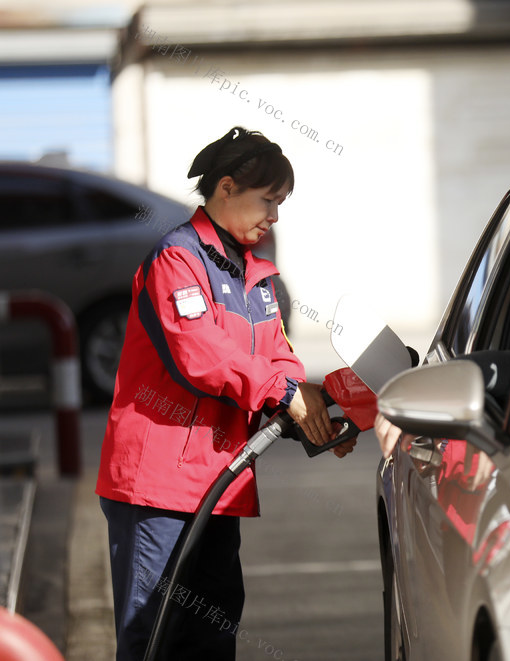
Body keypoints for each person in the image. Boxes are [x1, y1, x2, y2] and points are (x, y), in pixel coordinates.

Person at [95, 127, 354, 660]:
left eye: (281, 203)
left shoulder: (255, 274)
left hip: (220, 481)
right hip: (159, 490)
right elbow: (202, 355)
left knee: (213, 633)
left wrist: (316, 415)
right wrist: (285, 393)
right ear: (227, 188)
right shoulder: (178, 260)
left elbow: (277, 357)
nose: (275, 216)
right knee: (157, 637)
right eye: (269, 200)